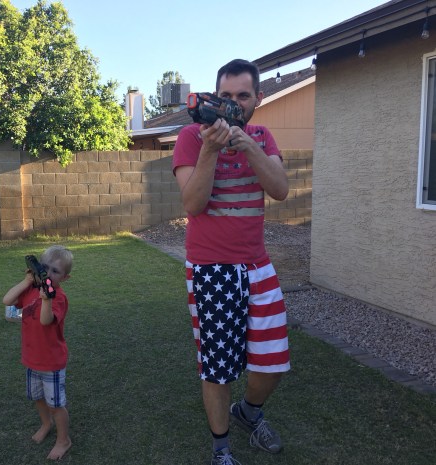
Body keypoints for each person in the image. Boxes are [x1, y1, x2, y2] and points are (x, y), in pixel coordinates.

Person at [172, 59, 290, 465]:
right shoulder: (191, 136)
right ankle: (221, 451)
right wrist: (211, 148)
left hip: (258, 266)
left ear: (258, 98)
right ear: (215, 96)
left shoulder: (262, 136)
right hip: (211, 270)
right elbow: (193, 204)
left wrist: (249, 146)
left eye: (243, 95)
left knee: (273, 361)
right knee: (218, 368)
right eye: (226, 95)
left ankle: (249, 412)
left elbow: (280, 190)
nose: (234, 103)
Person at [3, 245, 74, 461]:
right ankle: (46, 424)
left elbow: (45, 321)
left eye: (55, 271)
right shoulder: (31, 288)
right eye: (44, 267)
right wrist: (26, 281)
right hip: (32, 358)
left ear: (65, 278)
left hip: (51, 362)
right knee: (38, 398)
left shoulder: (58, 297)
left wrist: (46, 299)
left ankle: (64, 440)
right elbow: (7, 301)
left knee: (56, 405)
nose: (47, 273)